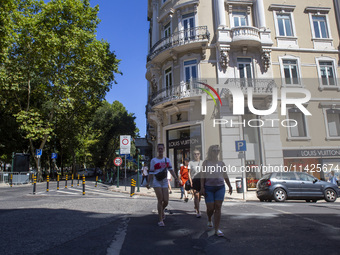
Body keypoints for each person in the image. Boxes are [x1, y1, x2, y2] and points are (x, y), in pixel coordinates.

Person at [200, 145, 232, 237]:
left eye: (218, 150)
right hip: (209, 188)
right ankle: (209, 218)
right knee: (210, 208)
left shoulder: (221, 163)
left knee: (218, 207)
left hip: (220, 187)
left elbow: (225, 175)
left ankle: (217, 229)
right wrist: (202, 187)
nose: (216, 152)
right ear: (210, 152)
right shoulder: (206, 163)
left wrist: (229, 186)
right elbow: (202, 176)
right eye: (214, 150)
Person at [146, 144, 177, 227]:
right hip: (157, 181)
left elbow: (171, 170)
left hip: (164, 181)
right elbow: (151, 172)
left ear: (164, 149)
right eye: (159, 148)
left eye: (161, 149)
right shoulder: (154, 160)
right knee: (160, 199)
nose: (160, 150)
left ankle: (161, 210)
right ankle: (160, 219)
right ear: (157, 149)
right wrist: (148, 182)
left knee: (166, 200)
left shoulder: (167, 160)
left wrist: (176, 178)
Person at [188, 149, 203, 218]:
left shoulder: (202, 162)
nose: (196, 155)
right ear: (193, 155)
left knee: (199, 196)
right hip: (194, 180)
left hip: (201, 180)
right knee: (196, 195)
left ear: (200, 154)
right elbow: (189, 173)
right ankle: (198, 211)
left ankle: (196, 206)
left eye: (198, 154)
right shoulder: (191, 163)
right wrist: (190, 181)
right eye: (195, 154)